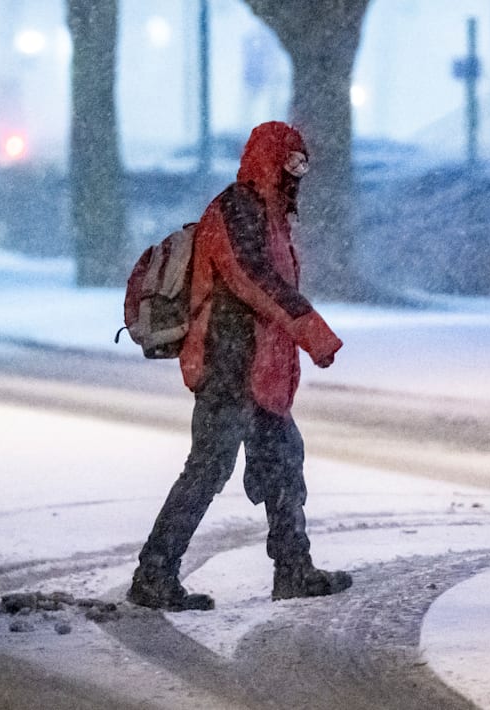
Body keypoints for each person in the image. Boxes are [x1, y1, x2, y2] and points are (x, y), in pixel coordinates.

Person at [128, 121, 350, 612]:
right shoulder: (236, 209)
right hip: (227, 367)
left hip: (259, 371)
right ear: (271, 161)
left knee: (284, 462)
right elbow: (252, 278)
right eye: (292, 162)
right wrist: (311, 329)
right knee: (208, 469)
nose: (299, 174)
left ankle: (293, 569)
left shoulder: (270, 215)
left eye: (303, 165)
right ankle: (154, 574)